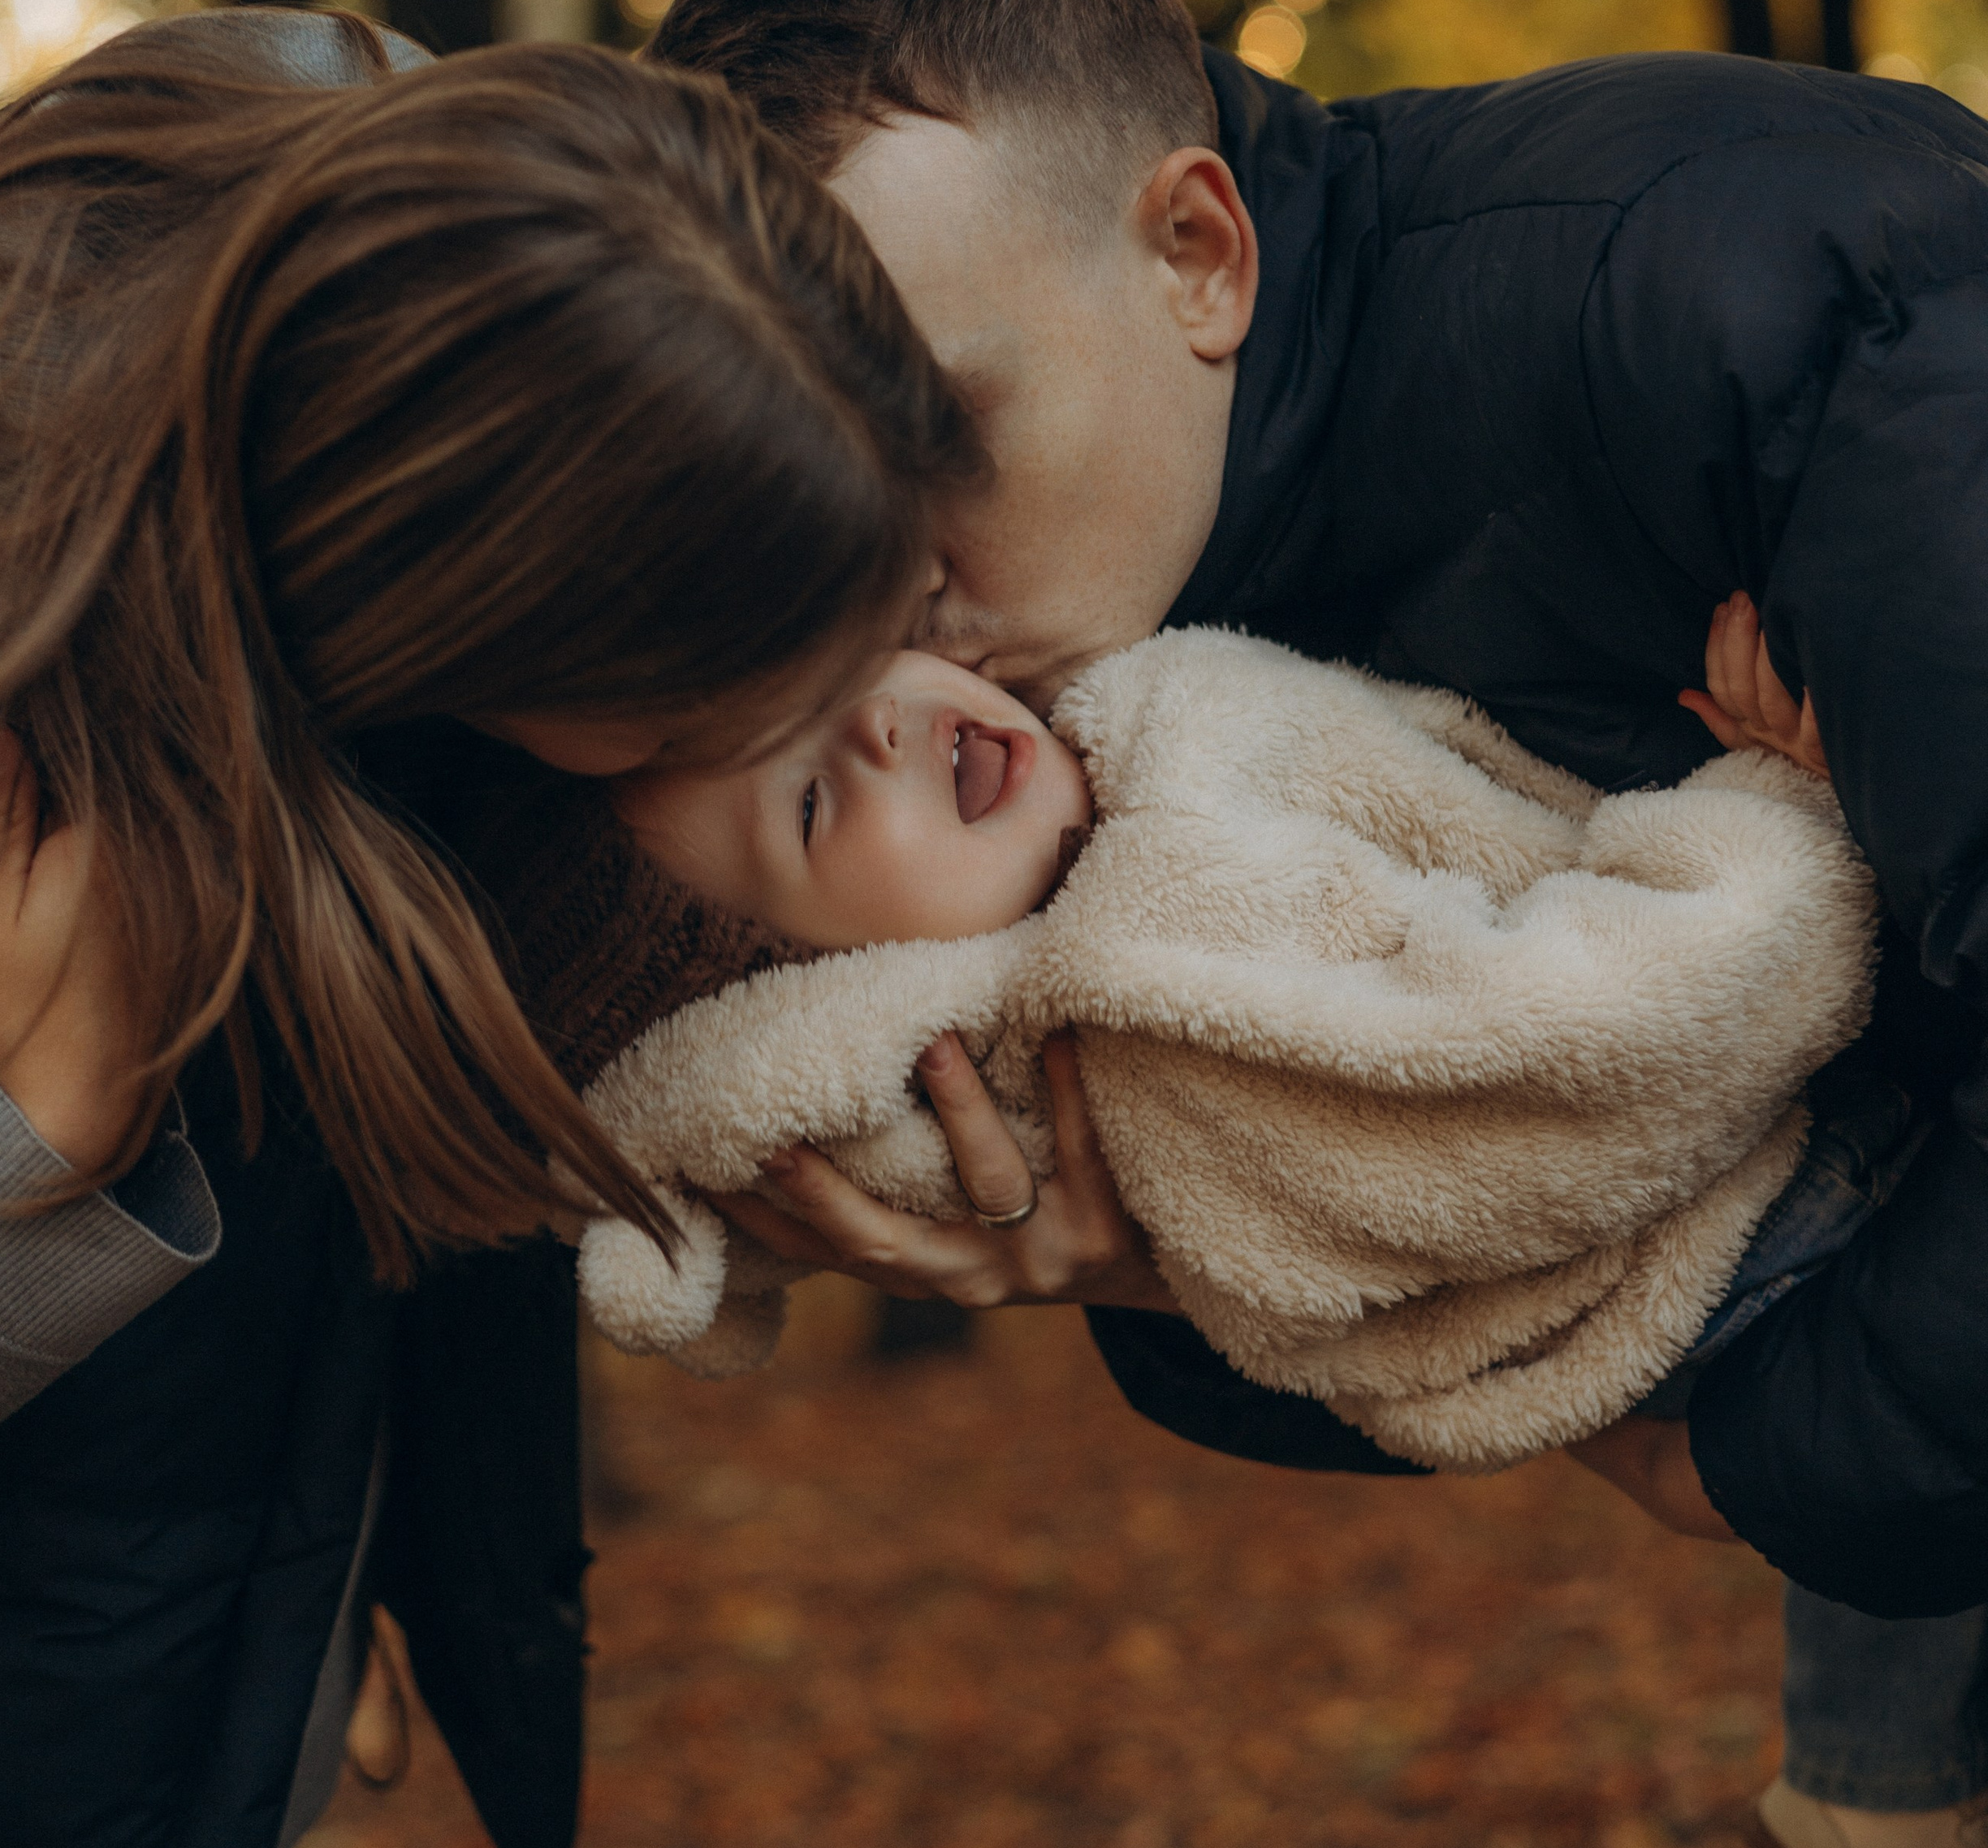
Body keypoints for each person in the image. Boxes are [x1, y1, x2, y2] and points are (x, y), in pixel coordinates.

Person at [650, 0, 1988, 1848]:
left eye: (941, 436)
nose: (882, 585)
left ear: (1196, 250)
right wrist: (1159, 1269)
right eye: (813, 494)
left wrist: (1766, 1465)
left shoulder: (1757, 301)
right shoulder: (1154, 621)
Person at [0, 9, 979, 1848]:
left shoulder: (501, 272)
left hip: (136, 1757)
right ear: (458, 611)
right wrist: (29, 1170)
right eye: (704, 720)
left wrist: (362, 1515)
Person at [583, 628, 1877, 1471]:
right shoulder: (1164, 1018)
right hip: (1786, 1212)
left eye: (835, 667)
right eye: (809, 805)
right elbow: (1601, 1050)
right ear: (827, 991)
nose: (874, 729)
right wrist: (1777, 809)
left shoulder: (1123, 771)